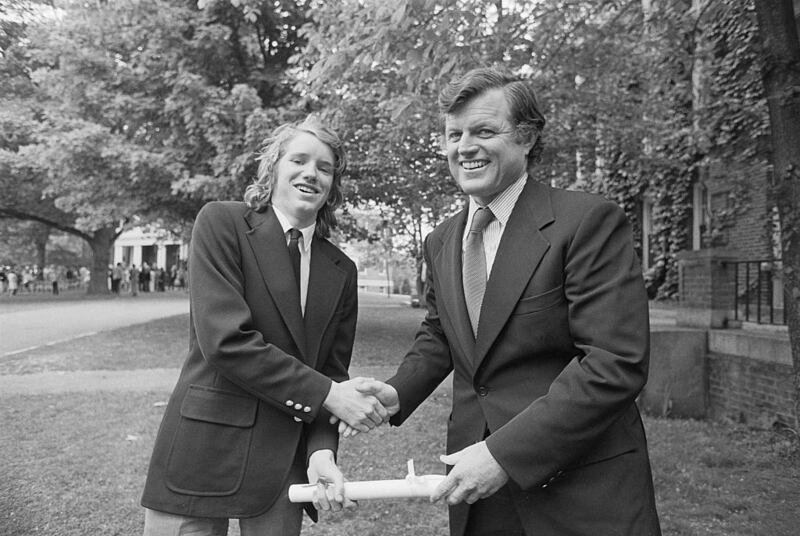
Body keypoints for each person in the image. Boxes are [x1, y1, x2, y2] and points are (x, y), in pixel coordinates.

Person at [350, 68, 662, 536]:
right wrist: (398, 392)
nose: (464, 147)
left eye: (483, 131)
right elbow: (442, 333)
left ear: (527, 138)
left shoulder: (587, 222)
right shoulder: (441, 240)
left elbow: (614, 362)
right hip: (480, 495)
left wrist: (502, 454)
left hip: (581, 489)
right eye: (454, 135)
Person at [140, 116, 389, 536]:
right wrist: (329, 394)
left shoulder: (341, 269)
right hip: (203, 451)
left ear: (333, 186)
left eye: (325, 167)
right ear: (274, 167)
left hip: (283, 466)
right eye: (299, 160)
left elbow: (331, 370)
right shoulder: (221, 223)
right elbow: (225, 341)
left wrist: (322, 453)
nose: (311, 173)